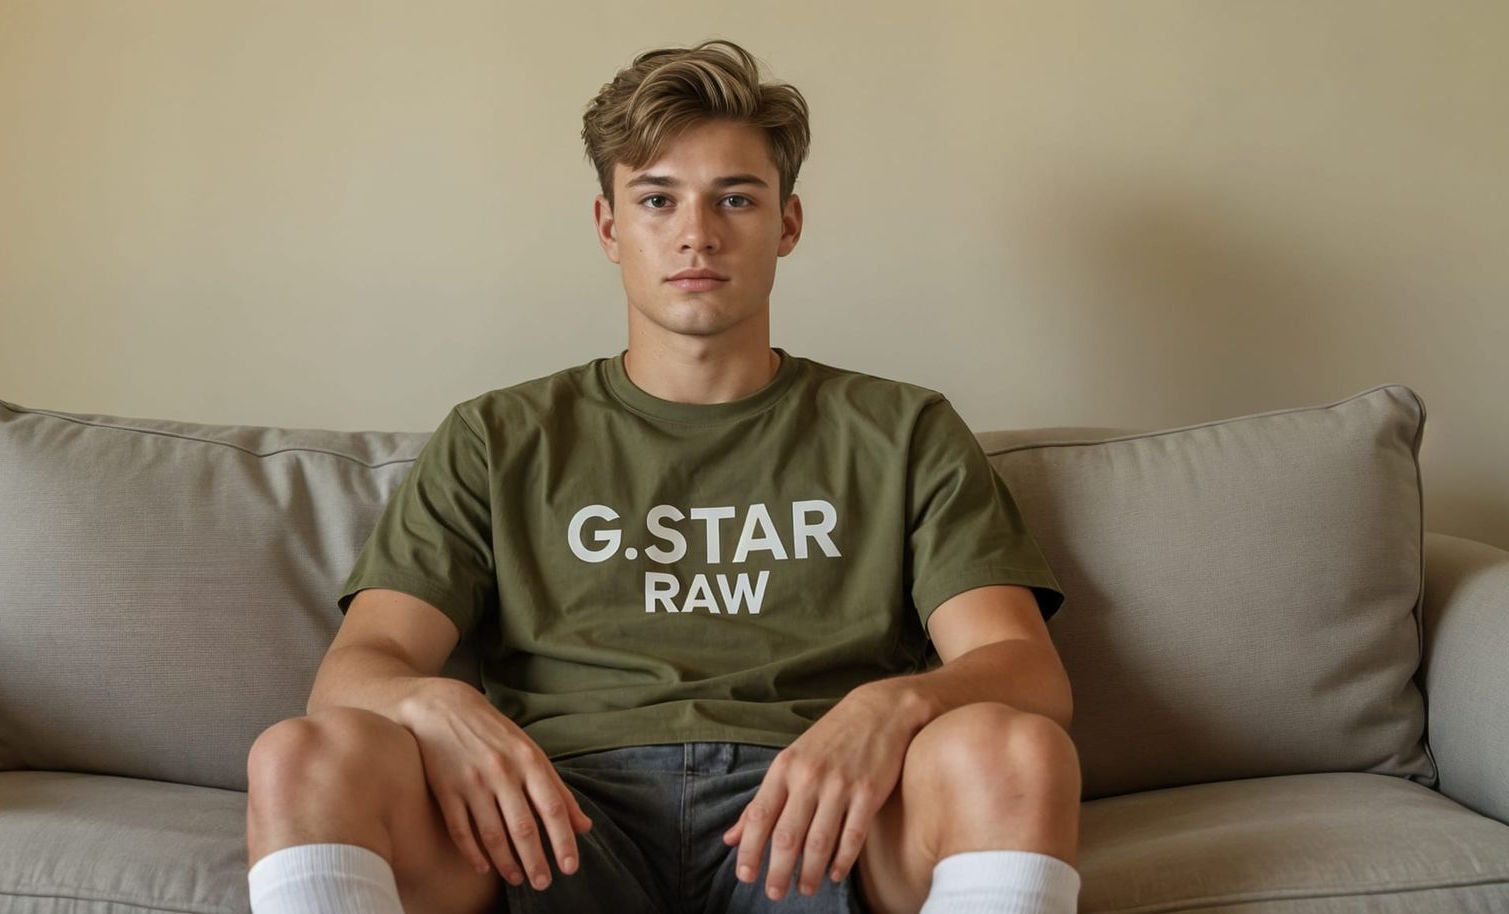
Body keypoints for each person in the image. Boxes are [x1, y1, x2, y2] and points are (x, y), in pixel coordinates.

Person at [246, 38, 1082, 914]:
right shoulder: (497, 436)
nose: (697, 233)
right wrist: (428, 702)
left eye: (736, 198)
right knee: (299, 755)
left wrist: (894, 704)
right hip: (548, 821)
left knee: (1015, 751)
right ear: (610, 227)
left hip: (816, 814)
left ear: (787, 223)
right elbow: (352, 673)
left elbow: (1023, 671)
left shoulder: (903, 429)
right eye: (657, 199)